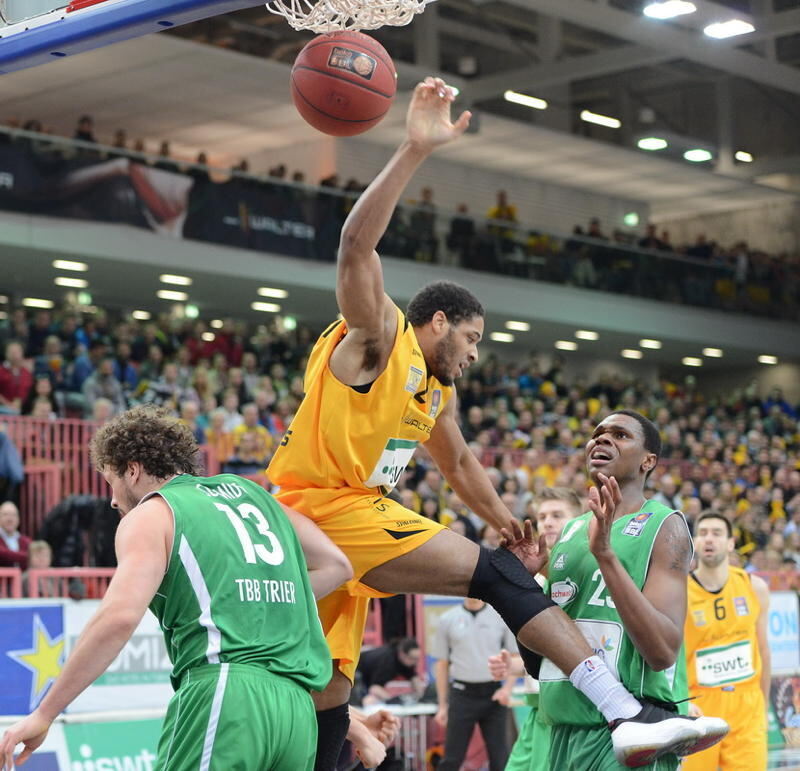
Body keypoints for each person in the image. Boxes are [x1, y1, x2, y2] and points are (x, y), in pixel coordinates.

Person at [266, 77, 721, 771]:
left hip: (337, 526)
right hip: (322, 509)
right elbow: (356, 244)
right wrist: (415, 149)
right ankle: (626, 710)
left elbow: (459, 468)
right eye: (472, 339)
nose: (475, 356)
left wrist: (508, 519)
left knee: (331, 689)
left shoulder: (430, 395)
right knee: (496, 575)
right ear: (439, 322)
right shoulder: (381, 339)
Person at [0, 405, 353, 771]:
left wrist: (45, 712)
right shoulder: (253, 494)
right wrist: (251, 597)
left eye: (111, 481)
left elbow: (118, 618)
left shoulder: (153, 513)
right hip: (296, 708)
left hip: (226, 691)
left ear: (132, 470)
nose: (112, 499)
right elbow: (338, 565)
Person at [531, 410, 728, 769]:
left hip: (632, 736)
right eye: (598, 433)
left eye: (620, 435)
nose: (601, 439)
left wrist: (606, 556)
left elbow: (663, 651)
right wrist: (527, 584)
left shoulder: (664, 526)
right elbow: (543, 648)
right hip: (560, 730)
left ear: (648, 461)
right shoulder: (571, 531)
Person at [489, 487, 584, 771]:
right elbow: (548, 652)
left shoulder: (585, 570)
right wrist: (515, 665)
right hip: (536, 707)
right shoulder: (535, 578)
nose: (548, 522)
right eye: (542, 516)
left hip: (569, 710)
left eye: (558, 515)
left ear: (579, 520)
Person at [682, 511, 771, 771]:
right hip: (698, 706)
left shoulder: (754, 587)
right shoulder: (679, 592)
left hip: (747, 705)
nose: (709, 539)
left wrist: (764, 707)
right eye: (703, 533)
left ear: (731, 543)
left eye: (717, 533)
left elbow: (764, 651)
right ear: (695, 542)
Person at [433, 597, 516, 770]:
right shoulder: (448, 619)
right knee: (452, 758)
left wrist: (507, 689)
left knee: (500, 758)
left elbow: (514, 658)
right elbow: (442, 664)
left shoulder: (500, 617)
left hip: (493, 694)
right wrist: (442, 705)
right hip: (462, 694)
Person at [356, 637, 425, 706]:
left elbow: (414, 678)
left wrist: (421, 696)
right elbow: (374, 688)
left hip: (368, 676)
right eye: (413, 658)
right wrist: (394, 700)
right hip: (358, 672)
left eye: (417, 659)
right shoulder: (388, 662)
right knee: (366, 701)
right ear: (402, 654)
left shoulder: (405, 660)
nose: (415, 662)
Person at [0, 501, 30, 569]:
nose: (10, 519)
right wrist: (27, 557)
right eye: (5, 514)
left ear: (18, 519)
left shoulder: (26, 541)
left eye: (13, 515)